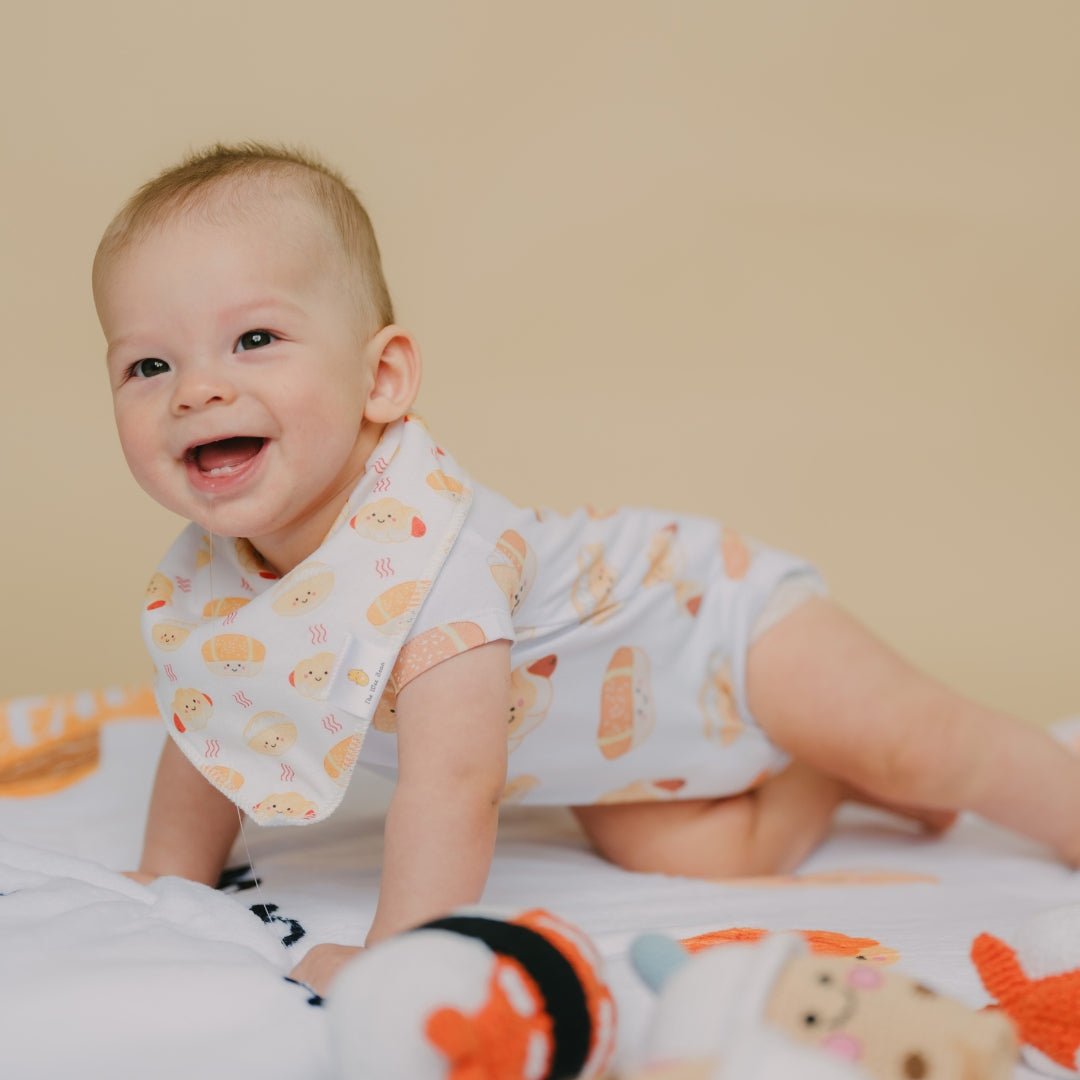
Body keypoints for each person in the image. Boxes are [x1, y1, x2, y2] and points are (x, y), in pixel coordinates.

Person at [92, 142, 1080, 997]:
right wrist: (168, 883)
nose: (198, 389)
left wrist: (400, 955)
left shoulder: (436, 560)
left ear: (380, 380)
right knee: (689, 854)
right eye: (149, 366)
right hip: (631, 734)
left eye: (253, 339)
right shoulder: (215, 583)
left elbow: (454, 783)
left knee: (925, 743)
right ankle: (826, 776)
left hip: (710, 622)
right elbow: (210, 728)